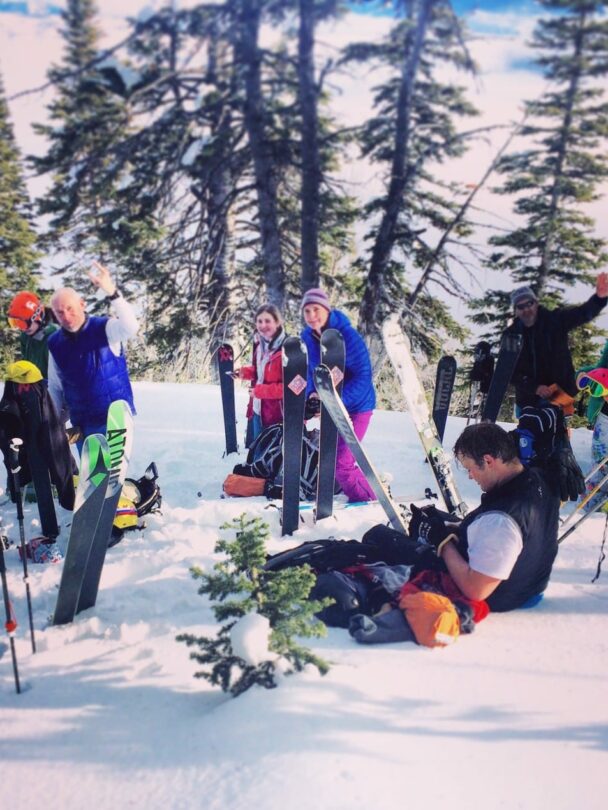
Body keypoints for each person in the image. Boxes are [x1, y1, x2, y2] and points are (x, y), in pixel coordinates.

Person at [47, 260, 138, 441]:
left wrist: (112, 293)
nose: (66, 316)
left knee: (113, 470)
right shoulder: (55, 343)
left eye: (69, 308)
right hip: (82, 425)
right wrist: (53, 424)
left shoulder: (104, 328)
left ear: (82, 304)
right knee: (91, 471)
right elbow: (56, 387)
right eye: (59, 312)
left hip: (115, 420)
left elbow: (131, 327)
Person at [300, 288, 376, 503]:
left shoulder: (348, 336)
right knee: (330, 459)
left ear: (326, 309)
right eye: (307, 311)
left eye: (316, 309)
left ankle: (366, 501)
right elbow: (310, 371)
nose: (312, 315)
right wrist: (312, 396)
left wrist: (334, 401)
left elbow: (363, 377)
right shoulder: (307, 336)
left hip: (358, 406)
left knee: (341, 464)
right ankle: (372, 490)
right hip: (330, 405)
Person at [503, 274, 608, 414]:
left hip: (560, 394)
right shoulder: (511, 335)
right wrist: (535, 387)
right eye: (521, 306)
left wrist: (599, 298)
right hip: (528, 400)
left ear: (536, 303)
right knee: (527, 433)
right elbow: (509, 371)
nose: (526, 309)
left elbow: (582, 313)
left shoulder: (555, 321)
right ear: (515, 310)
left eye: (529, 303)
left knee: (559, 434)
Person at [236, 304, 286, 441]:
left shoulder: (287, 350)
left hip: (277, 416)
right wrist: (243, 373)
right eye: (259, 321)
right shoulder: (260, 346)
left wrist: (260, 391)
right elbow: (260, 372)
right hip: (258, 410)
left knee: (272, 458)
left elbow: (289, 389)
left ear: (277, 322)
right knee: (259, 455)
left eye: (267, 321)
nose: (263, 325)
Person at [7, 291, 59, 379]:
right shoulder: (25, 336)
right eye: (15, 323)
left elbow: (61, 379)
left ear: (36, 317)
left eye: (22, 323)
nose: (21, 328)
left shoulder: (54, 338)